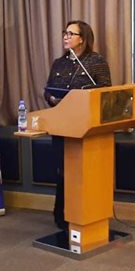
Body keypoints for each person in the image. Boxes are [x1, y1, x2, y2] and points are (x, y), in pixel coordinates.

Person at [43, 20, 112, 230]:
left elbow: (105, 92)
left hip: (86, 127)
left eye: (71, 34)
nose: (66, 37)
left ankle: (84, 216)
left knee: (82, 173)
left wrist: (79, 102)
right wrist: (53, 100)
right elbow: (48, 90)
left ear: (82, 39)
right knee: (63, 171)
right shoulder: (59, 63)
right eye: (65, 33)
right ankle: (62, 215)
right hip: (62, 125)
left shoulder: (96, 61)